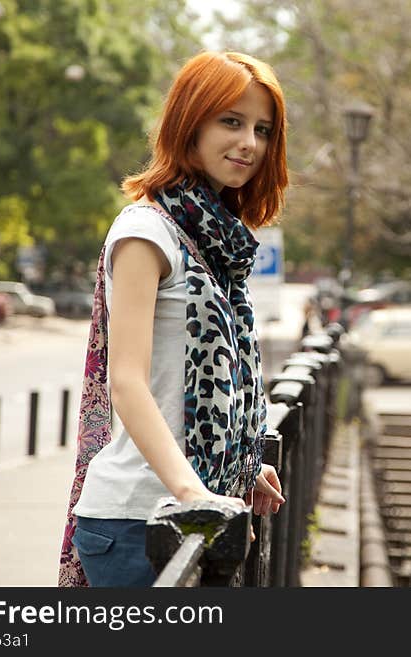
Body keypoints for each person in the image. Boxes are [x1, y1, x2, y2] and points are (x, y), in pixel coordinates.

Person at [58, 51, 288, 587]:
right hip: (139, 523)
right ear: (189, 124)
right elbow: (129, 383)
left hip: (191, 521)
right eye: (230, 121)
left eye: (262, 129)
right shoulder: (147, 231)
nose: (249, 143)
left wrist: (242, 467)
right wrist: (194, 496)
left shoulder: (218, 243)